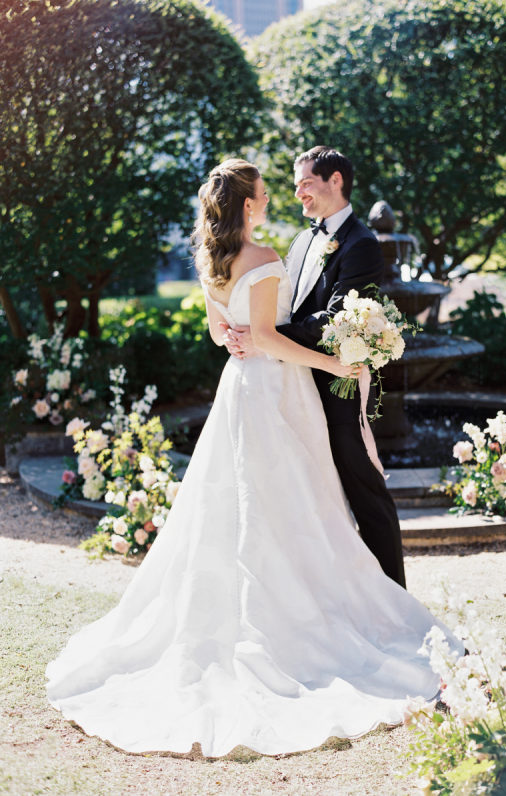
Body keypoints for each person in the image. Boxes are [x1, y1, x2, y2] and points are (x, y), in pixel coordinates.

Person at [46, 158, 462, 758]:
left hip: (239, 389)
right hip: (279, 385)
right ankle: (316, 612)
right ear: (247, 204)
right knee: (294, 499)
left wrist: (234, 339)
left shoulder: (209, 260)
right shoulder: (265, 258)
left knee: (243, 500)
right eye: (266, 193)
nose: (275, 199)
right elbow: (268, 337)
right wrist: (335, 363)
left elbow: (224, 331)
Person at [221, 146, 406, 588]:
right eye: (296, 183)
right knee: (314, 498)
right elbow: (282, 306)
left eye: (306, 182)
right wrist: (255, 331)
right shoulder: (302, 240)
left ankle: (395, 594)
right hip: (294, 385)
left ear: (335, 180)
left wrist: (269, 339)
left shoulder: (362, 243)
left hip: (337, 385)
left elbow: (337, 317)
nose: (298, 191)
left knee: (364, 488)